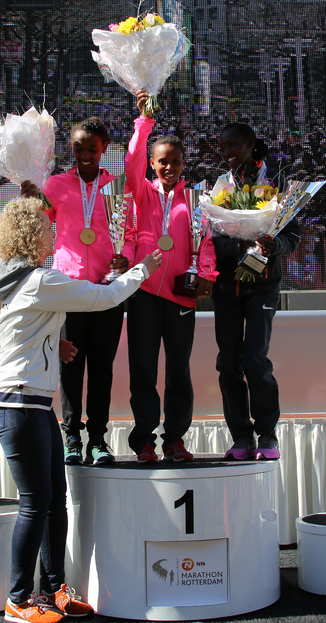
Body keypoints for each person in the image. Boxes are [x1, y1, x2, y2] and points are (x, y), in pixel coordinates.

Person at [0, 196, 161, 623]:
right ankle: (18, 600)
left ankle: (54, 589)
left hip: (29, 403)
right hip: (19, 404)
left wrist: (52, 341)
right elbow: (106, 297)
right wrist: (142, 269)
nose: (54, 233)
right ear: (30, 236)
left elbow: (9, 334)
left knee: (52, 501)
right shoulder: (39, 280)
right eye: (47, 228)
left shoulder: (3, 278)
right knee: (34, 504)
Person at [21, 114, 124, 466]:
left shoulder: (117, 187)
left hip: (106, 290)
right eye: (79, 149)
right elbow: (40, 223)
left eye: (92, 149)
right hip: (67, 290)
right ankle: (71, 438)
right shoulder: (55, 186)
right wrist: (30, 202)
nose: (85, 155)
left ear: (104, 148)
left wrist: (125, 258)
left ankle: (98, 439)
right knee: (69, 366)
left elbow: (129, 231)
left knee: (102, 368)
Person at [123, 91, 216, 463]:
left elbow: (205, 242)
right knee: (143, 369)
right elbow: (131, 161)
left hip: (180, 294)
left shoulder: (193, 200)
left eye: (175, 161)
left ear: (183, 164)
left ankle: (175, 438)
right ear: (152, 163)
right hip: (144, 292)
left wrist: (207, 273)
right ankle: (144, 439)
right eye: (162, 161)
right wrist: (144, 122)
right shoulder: (141, 193)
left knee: (179, 370)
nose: (169, 167)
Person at [211, 123, 301, 461]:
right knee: (227, 363)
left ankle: (267, 433)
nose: (226, 153)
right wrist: (233, 241)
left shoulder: (277, 183)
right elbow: (211, 231)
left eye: (233, 145)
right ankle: (241, 436)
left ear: (251, 144)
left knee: (255, 359)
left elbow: (292, 235)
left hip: (262, 283)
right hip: (227, 285)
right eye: (222, 147)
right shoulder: (220, 186)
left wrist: (273, 244)